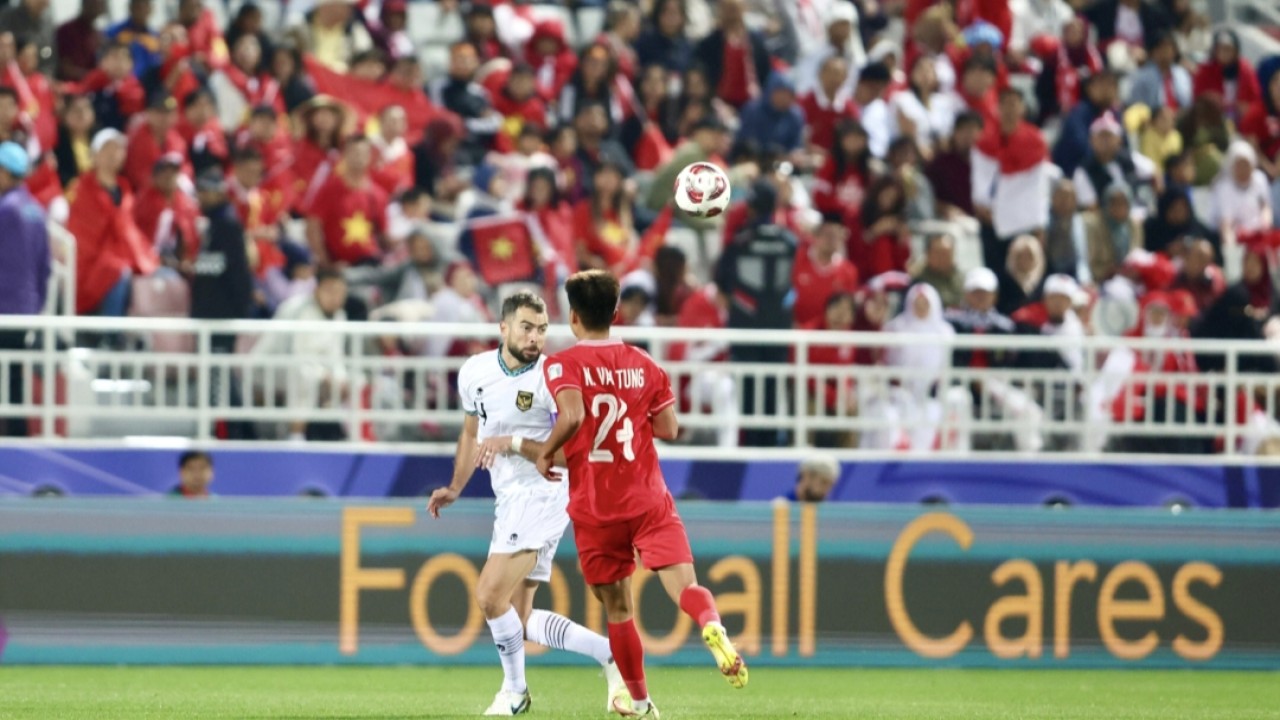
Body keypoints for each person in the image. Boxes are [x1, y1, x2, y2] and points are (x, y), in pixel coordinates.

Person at [532, 270, 748, 718]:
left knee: (617, 607)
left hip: (595, 505)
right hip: (646, 498)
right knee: (686, 586)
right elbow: (670, 428)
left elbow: (570, 415)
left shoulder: (561, 364)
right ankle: (711, 625)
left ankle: (644, 703)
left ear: (572, 317)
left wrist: (546, 452)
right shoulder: (645, 364)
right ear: (615, 313)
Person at [426, 291, 622, 717]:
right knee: (521, 616)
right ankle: (610, 654)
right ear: (503, 328)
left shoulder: (553, 375)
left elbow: (577, 452)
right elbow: (469, 432)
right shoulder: (475, 372)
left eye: (542, 329)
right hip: (510, 498)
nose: (535, 337)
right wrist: (457, 485)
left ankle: (515, 692)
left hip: (544, 492)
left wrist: (514, 444)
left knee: (489, 594)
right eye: (526, 328)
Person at [716, 181, 797, 446]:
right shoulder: (790, 241)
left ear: (750, 207)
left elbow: (721, 279)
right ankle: (771, 440)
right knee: (773, 384)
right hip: (779, 326)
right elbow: (798, 285)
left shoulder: (741, 241)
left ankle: (751, 440)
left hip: (745, 324)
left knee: (748, 385)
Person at [0, 141, 47, 437]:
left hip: (3, 307)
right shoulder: (36, 210)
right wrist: (36, 304)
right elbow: (46, 267)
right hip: (26, 309)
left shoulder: (5, 209)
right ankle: (19, 436)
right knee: (15, 377)